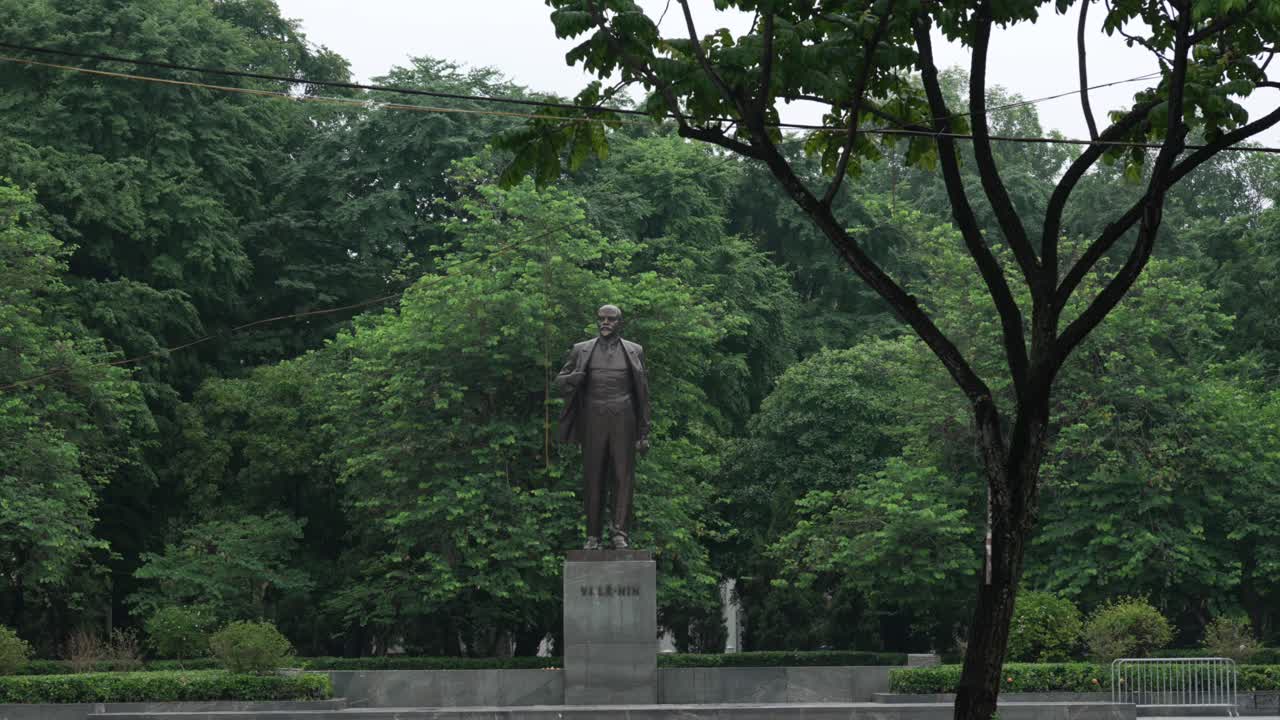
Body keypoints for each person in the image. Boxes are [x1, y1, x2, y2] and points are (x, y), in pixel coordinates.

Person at [555, 304, 651, 549]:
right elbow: (559, 383)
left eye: (610, 319)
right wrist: (572, 379)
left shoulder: (634, 350)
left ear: (620, 322)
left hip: (624, 418)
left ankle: (620, 533)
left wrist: (643, 431)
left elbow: (643, 393)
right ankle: (593, 535)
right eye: (601, 319)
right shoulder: (581, 349)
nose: (605, 323)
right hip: (593, 419)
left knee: (623, 477)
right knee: (593, 477)